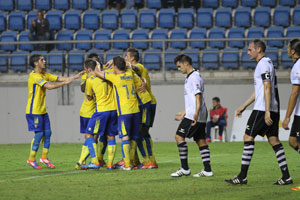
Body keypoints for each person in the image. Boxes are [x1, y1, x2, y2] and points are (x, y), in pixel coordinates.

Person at [225, 39, 292, 185]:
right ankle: (286, 176)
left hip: (263, 109)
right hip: (270, 108)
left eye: (250, 49)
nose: (248, 52)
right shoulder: (266, 63)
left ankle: (242, 176)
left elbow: (267, 87)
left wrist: (266, 111)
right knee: (274, 140)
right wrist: (244, 106)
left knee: (247, 138)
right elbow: (259, 91)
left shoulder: (263, 64)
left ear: (259, 49)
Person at [26, 54, 82, 169]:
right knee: (39, 134)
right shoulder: (34, 76)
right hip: (34, 111)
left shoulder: (44, 74)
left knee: (48, 133)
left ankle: (44, 157)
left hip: (42, 111)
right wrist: (64, 84)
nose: (45, 61)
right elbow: (49, 86)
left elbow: (60, 78)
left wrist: (76, 76)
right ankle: (31, 159)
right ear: (36, 63)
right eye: (42, 60)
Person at [94, 56, 141, 170]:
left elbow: (97, 73)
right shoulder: (129, 73)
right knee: (134, 138)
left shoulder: (114, 77)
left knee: (124, 137)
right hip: (136, 110)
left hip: (124, 112)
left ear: (114, 66)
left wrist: (99, 65)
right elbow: (130, 67)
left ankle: (127, 165)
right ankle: (132, 162)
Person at [170, 54, 213, 178]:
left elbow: (198, 97)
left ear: (186, 64)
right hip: (199, 114)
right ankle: (207, 170)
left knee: (179, 137)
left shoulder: (194, 77)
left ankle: (185, 168)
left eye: (179, 66)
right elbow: (192, 99)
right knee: (201, 140)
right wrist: (184, 112)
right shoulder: (191, 76)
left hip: (195, 114)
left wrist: (195, 114)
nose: (179, 69)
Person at [78, 59, 118, 170]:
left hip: (101, 110)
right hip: (114, 110)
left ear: (89, 69)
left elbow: (89, 97)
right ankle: (109, 164)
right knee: (111, 136)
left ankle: (95, 161)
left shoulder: (90, 79)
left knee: (89, 134)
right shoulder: (109, 74)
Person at [125, 48, 158, 169]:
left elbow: (136, 68)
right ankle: (143, 161)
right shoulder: (132, 71)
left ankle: (148, 161)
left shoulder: (139, 66)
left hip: (146, 102)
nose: (125, 58)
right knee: (141, 132)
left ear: (132, 58)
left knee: (140, 133)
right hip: (145, 102)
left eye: (126, 56)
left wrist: (118, 62)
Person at [282, 39, 300, 155]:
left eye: (288, 48)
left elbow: (295, 93)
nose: (287, 50)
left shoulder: (297, 67)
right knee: (293, 141)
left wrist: (287, 117)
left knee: (295, 141)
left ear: (293, 51)